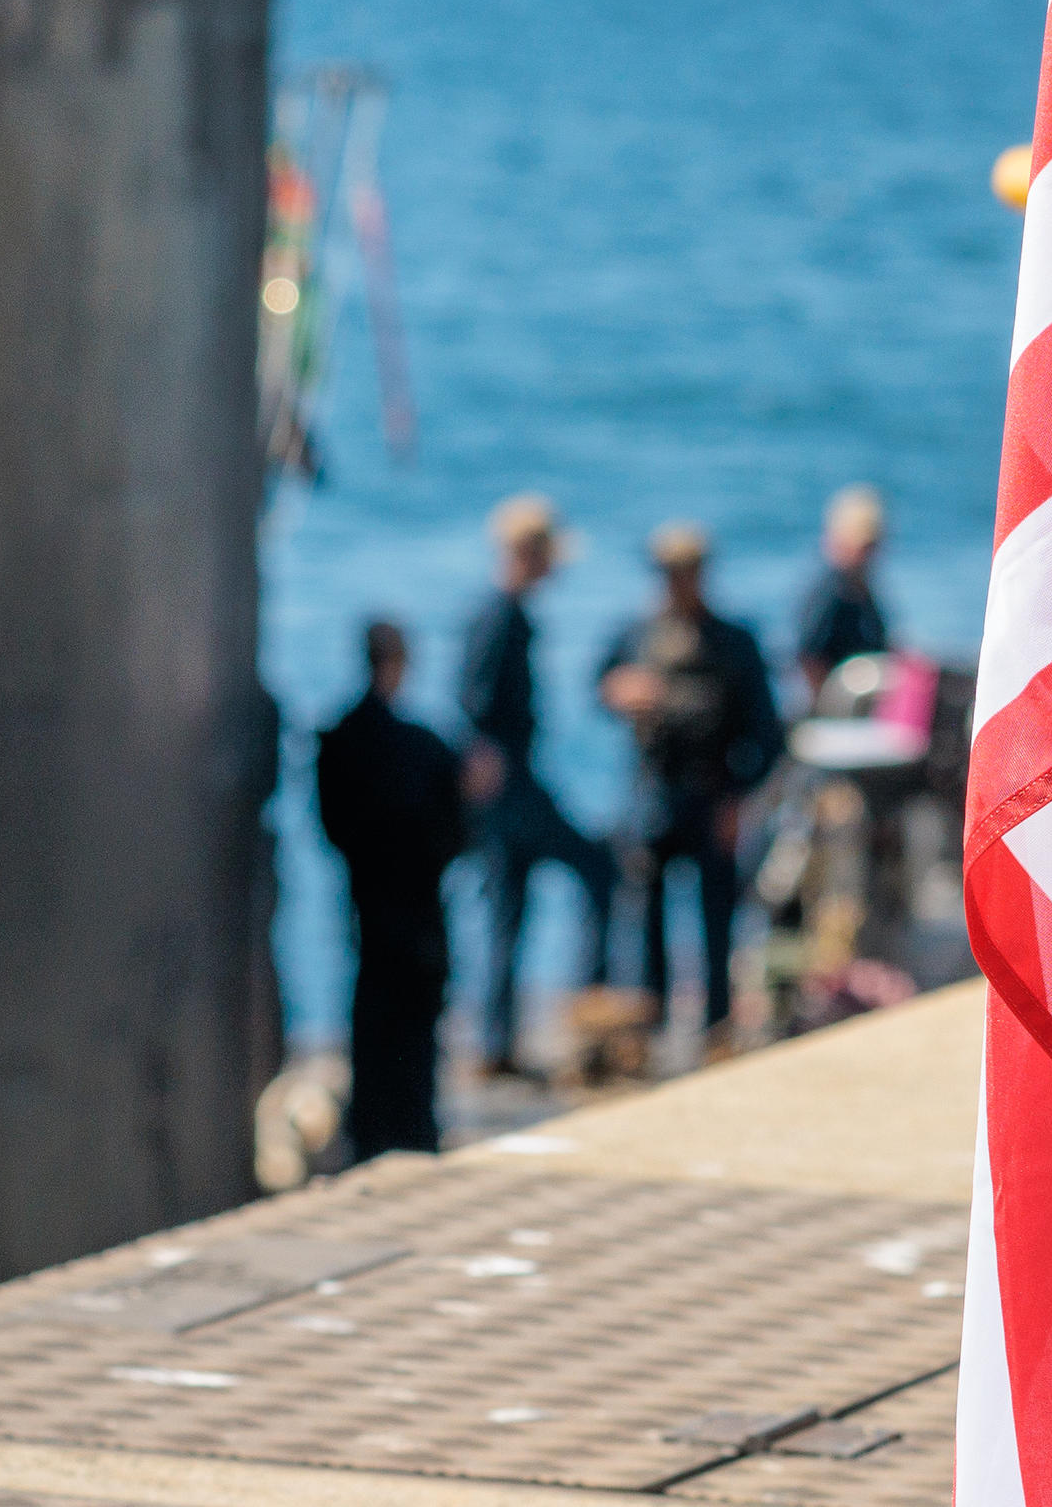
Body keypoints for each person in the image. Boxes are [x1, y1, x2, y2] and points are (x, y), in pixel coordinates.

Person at [597, 522, 782, 1049]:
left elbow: (767, 734)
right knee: (645, 912)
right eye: (667, 574)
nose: (675, 584)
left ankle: (716, 1026)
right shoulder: (635, 634)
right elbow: (601, 683)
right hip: (652, 792)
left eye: (684, 573)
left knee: (717, 914)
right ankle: (649, 1023)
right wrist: (619, 692)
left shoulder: (734, 641)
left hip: (712, 793)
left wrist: (739, 801)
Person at [454, 494, 607, 1080]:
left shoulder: (506, 614)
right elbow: (474, 698)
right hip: (510, 788)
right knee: (597, 868)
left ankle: (495, 1044)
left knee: (505, 912)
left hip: (509, 786)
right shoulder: (500, 616)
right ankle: (588, 1013)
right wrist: (485, 755)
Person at [309, 619, 469, 1159]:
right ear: (399, 663)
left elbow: (331, 828)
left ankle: (370, 1133)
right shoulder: (423, 747)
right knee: (417, 1031)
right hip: (419, 908)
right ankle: (414, 1137)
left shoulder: (338, 738)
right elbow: (456, 833)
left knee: (371, 1019)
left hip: (366, 904)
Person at [785, 486, 894, 703]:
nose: (870, 556)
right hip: (835, 706)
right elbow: (808, 654)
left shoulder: (862, 591)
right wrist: (823, 704)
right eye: (865, 547)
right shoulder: (828, 592)